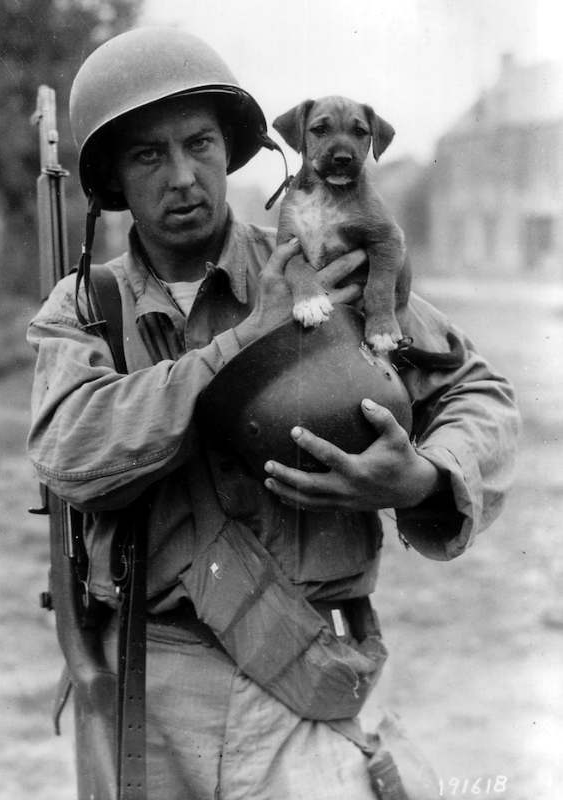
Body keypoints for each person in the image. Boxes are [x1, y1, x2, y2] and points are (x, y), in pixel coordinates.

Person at [27, 26, 520, 800]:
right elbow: (70, 450)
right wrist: (246, 344)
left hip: (309, 683)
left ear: (234, 153)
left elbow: (480, 394)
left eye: (200, 144)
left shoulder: (322, 260)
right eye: (149, 155)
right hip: (151, 693)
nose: (184, 176)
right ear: (114, 180)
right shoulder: (87, 308)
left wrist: (423, 477)